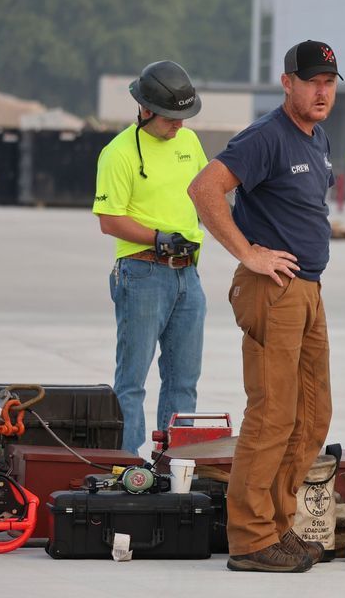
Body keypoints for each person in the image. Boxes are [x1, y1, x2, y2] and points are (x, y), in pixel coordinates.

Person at [187, 40, 341, 573]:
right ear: (287, 83)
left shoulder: (318, 138)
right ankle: (250, 540)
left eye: (329, 82)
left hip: (308, 289)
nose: (322, 91)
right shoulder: (265, 136)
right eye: (312, 81)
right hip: (273, 291)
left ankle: (277, 527)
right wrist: (248, 252)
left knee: (312, 415)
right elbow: (205, 188)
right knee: (272, 414)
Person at [93, 60, 208, 455]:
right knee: (132, 380)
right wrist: (159, 239)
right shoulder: (119, 153)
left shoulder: (189, 143)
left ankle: (176, 463)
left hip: (188, 278)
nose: (179, 125)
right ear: (145, 110)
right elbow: (109, 220)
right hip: (141, 273)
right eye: (171, 118)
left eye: (184, 117)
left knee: (183, 380)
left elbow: (206, 193)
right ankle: (127, 466)